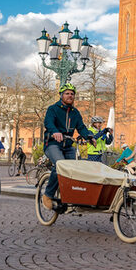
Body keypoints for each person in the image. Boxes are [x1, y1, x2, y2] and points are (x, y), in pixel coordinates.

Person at [41, 82, 93, 211]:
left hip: (68, 144)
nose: (70, 96)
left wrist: (90, 136)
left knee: (75, 169)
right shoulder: (53, 109)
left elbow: (81, 127)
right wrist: (55, 132)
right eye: (67, 93)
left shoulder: (75, 113)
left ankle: (71, 196)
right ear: (61, 95)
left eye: (72, 94)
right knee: (60, 164)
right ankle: (47, 195)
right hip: (53, 143)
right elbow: (48, 122)